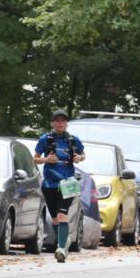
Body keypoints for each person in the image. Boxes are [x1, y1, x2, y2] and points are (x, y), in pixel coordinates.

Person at [33, 109, 85, 263]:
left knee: (62, 215)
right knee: (55, 219)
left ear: (67, 123)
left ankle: (61, 248)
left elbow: (83, 155)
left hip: (67, 184)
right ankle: (65, 240)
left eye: (63, 121)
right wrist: (46, 160)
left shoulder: (73, 140)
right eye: (57, 120)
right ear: (52, 123)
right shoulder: (45, 139)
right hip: (49, 184)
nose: (60, 123)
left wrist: (79, 157)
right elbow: (35, 159)